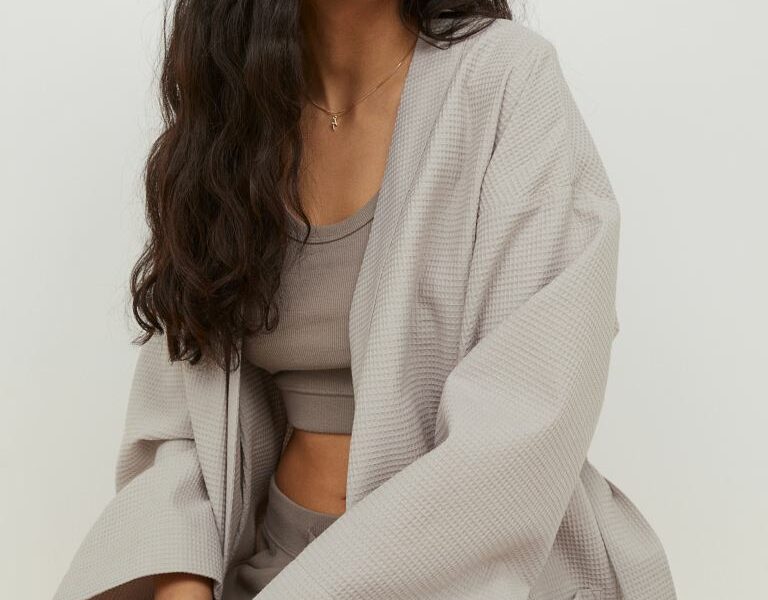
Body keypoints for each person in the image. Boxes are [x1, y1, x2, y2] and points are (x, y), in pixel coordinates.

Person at [54, 2, 677, 599]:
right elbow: (184, 401)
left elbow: (526, 418)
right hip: (271, 565)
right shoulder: (235, 111)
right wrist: (182, 581)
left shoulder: (507, 78)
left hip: (476, 576)